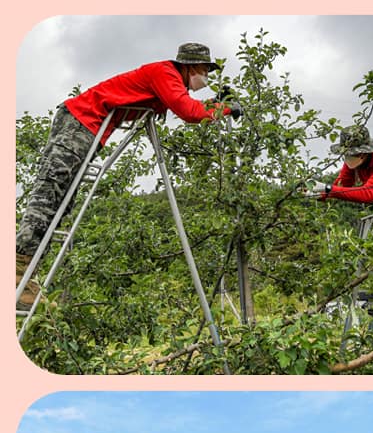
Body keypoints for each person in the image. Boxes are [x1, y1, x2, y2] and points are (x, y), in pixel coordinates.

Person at [16, 43, 237, 309]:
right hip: (79, 122)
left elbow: (189, 105)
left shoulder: (169, 79)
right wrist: (225, 109)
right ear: (189, 66)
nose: (206, 77)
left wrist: (215, 104)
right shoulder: (164, 73)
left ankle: (25, 281)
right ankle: (16, 276)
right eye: (204, 70)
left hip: (87, 129)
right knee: (48, 198)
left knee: (61, 206)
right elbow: (189, 112)